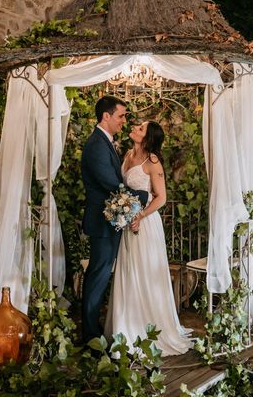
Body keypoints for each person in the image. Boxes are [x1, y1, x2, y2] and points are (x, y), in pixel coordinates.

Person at [105, 120, 193, 356]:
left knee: (143, 272)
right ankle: (126, 328)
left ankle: (149, 329)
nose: (135, 127)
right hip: (128, 224)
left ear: (148, 138)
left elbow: (161, 198)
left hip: (145, 225)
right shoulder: (127, 154)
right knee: (128, 272)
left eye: (141, 128)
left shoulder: (152, 162)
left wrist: (140, 216)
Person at [81, 95, 149, 343]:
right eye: (121, 115)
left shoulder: (105, 142)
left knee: (99, 275)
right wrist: (143, 194)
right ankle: (90, 335)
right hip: (102, 223)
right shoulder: (97, 145)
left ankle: (93, 330)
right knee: (98, 276)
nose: (124, 120)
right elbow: (111, 184)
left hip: (110, 221)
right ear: (106, 116)